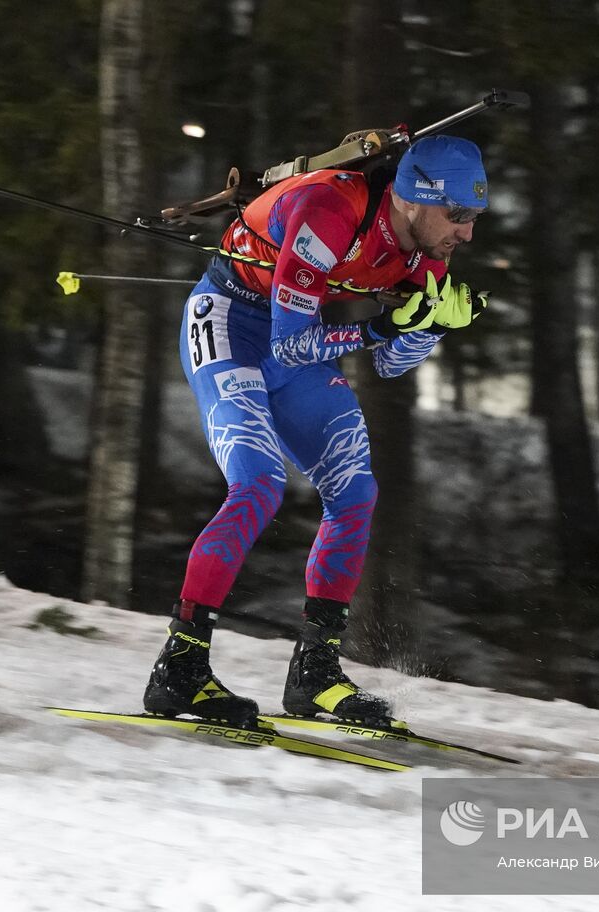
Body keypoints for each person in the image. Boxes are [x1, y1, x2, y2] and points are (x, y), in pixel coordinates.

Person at [142, 134, 490, 728]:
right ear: (411, 199)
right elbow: (293, 342)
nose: (466, 233)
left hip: (292, 346)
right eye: (457, 215)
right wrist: (383, 329)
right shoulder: (328, 208)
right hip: (230, 323)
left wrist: (426, 326)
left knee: (355, 492)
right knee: (257, 485)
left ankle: (316, 672)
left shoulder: (429, 248)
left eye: (474, 217)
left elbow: (389, 366)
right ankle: (180, 667)